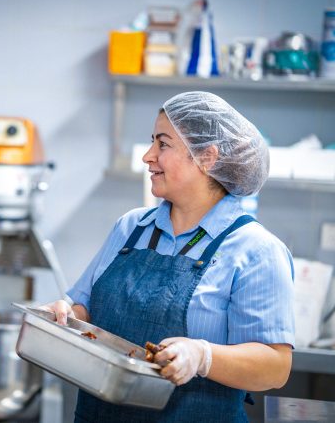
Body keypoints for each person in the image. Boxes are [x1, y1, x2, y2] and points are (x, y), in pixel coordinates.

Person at [44, 91, 295, 423]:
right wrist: (63, 315)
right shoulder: (132, 228)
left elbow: (275, 367)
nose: (148, 156)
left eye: (163, 144)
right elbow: (84, 310)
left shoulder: (256, 250)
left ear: (206, 157)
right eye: (152, 142)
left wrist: (202, 356)